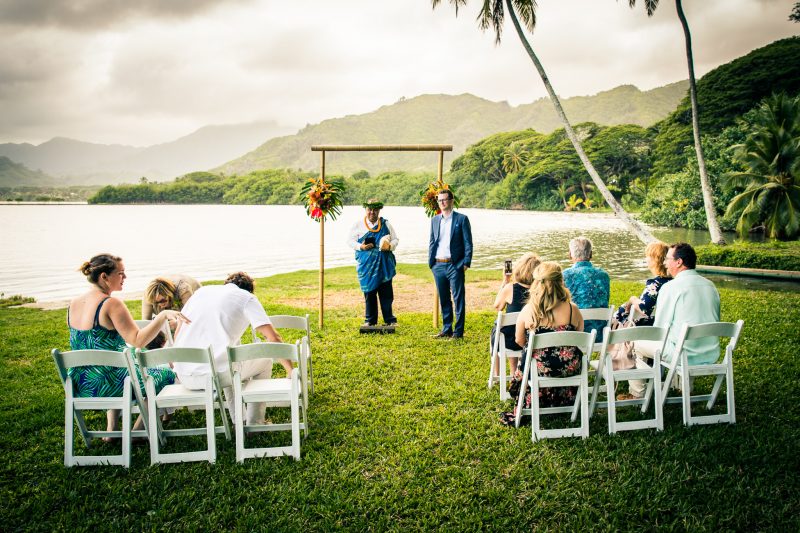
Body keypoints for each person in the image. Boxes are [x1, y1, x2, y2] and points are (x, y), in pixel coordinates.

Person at [66, 253, 188, 435]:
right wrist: (162, 316)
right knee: (167, 375)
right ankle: (137, 432)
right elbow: (138, 340)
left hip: (81, 384)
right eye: (121, 273)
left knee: (117, 367)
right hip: (112, 384)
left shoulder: (73, 303)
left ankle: (111, 430)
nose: (125, 277)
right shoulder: (111, 304)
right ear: (104, 277)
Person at [172, 271, 295, 426]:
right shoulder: (246, 298)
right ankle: (255, 423)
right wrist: (290, 370)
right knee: (264, 361)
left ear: (226, 284)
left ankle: (240, 421)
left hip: (184, 375)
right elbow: (272, 338)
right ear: (249, 290)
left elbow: (178, 331)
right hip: (213, 377)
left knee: (228, 363)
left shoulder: (200, 293)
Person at [620, 242, 721, 400]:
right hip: (710, 352)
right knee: (685, 338)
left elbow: (660, 329)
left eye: (667, 259)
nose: (665, 263)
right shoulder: (711, 286)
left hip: (682, 354)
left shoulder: (671, 287)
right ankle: (684, 387)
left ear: (679, 262)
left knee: (634, 343)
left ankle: (637, 393)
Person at [501, 262, 584, 425]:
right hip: (569, 369)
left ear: (536, 284)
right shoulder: (573, 309)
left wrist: (536, 350)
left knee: (528, 359)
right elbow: (579, 338)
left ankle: (536, 397)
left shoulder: (528, 310)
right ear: (561, 283)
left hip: (538, 370)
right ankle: (563, 398)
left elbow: (519, 340)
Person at [346, 198, 399, 326]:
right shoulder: (358, 225)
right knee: (369, 293)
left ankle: (389, 320)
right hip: (366, 266)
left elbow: (396, 239)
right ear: (366, 210)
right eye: (370, 209)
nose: (372, 212)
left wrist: (390, 246)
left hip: (384, 265)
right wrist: (361, 247)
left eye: (375, 210)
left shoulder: (386, 224)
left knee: (386, 293)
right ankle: (370, 320)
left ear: (379, 210)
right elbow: (350, 241)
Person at [428, 189, 473, 339]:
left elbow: (468, 243)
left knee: (458, 298)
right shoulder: (435, 220)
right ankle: (446, 329)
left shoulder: (462, 219)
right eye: (439, 200)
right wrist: (431, 262)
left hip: (455, 265)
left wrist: (466, 262)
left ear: (452, 201)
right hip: (438, 265)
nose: (442, 202)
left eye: (444, 199)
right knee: (444, 298)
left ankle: (458, 332)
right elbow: (432, 242)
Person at [490, 252, 540, 378]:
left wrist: (505, 281)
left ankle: (498, 374)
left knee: (498, 330)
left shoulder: (510, 288)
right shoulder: (540, 290)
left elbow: (498, 306)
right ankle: (516, 371)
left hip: (511, 341)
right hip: (533, 338)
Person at [613, 241, 672, 327]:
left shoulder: (655, 284)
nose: (646, 259)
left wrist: (633, 299)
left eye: (647, 256)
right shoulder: (672, 282)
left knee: (614, 319)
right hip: (662, 324)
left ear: (655, 259)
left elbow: (644, 308)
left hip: (645, 327)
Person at [563, 236, 609, 340]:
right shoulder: (603, 275)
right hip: (600, 334)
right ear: (591, 254)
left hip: (574, 334)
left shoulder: (564, 276)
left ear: (570, 254)